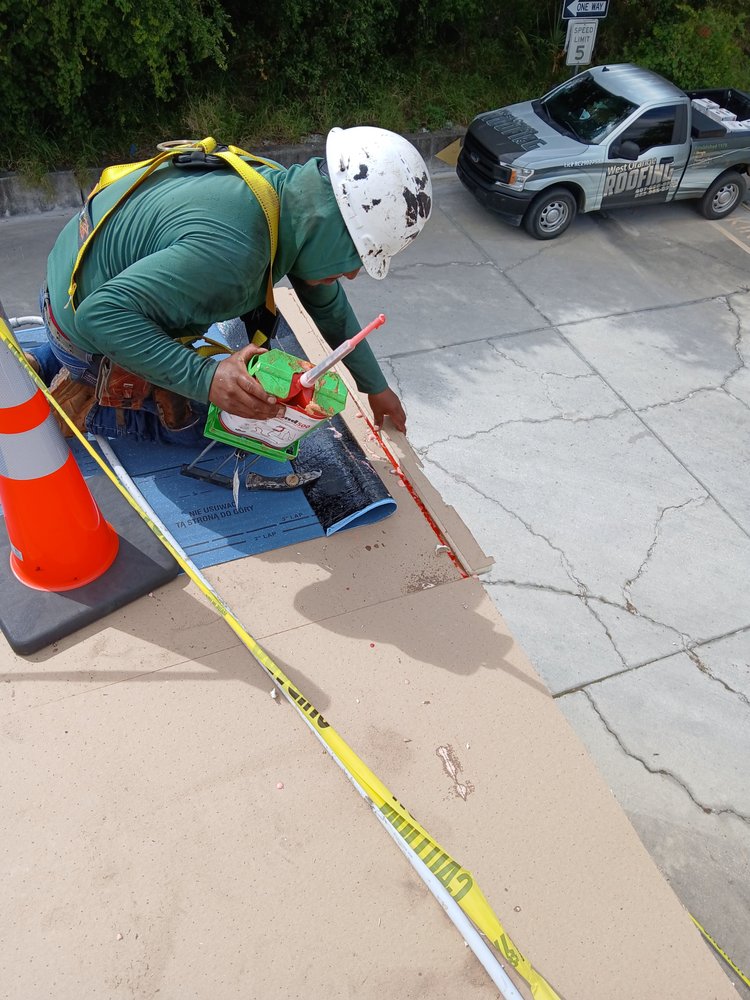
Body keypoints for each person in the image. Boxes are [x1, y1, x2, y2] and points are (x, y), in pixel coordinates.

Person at [30, 127, 432, 444]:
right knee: (232, 425)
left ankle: (47, 361)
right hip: (83, 327)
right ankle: (89, 401)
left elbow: (328, 306)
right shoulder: (235, 255)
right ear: (331, 227)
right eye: (357, 257)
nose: (351, 275)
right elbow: (100, 315)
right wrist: (208, 380)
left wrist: (373, 386)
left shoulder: (282, 194)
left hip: (69, 280)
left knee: (212, 366)